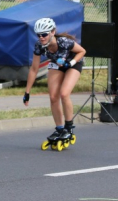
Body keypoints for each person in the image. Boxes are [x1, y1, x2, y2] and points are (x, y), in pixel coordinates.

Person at [23, 17, 86, 150]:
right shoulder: (39, 45)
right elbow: (34, 69)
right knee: (53, 97)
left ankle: (69, 128)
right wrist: (27, 92)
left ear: (53, 32)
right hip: (57, 64)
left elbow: (82, 51)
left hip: (73, 63)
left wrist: (71, 63)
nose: (41, 37)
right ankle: (59, 129)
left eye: (44, 34)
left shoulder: (64, 42)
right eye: (38, 35)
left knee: (64, 93)